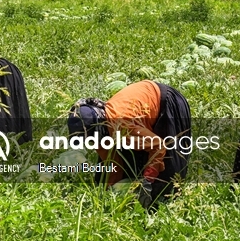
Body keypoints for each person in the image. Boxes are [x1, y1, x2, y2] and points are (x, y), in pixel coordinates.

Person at [67, 80, 192, 209]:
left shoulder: (122, 125)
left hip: (168, 103)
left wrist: (148, 180)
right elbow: (112, 165)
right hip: (139, 117)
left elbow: (157, 146)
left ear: (98, 129)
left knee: (167, 178)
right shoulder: (99, 133)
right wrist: (109, 194)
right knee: (108, 176)